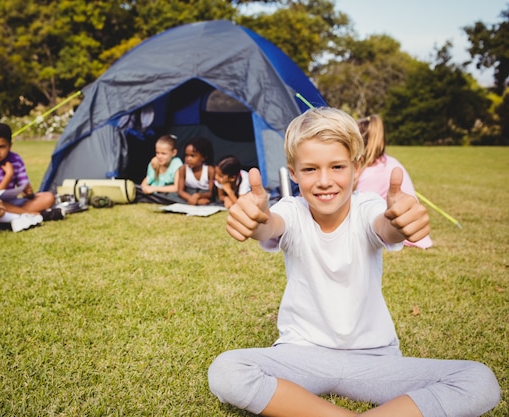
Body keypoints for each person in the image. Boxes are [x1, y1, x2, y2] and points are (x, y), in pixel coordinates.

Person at [208, 107, 500, 417]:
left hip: (374, 359)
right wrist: (256, 222)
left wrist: (400, 223)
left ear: (356, 168)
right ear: (292, 172)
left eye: (337, 166)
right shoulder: (292, 210)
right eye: (310, 170)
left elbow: (384, 227)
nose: (324, 181)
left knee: (479, 381)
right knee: (226, 370)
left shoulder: (368, 207)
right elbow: (271, 226)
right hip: (302, 355)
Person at [356, 114, 433, 249]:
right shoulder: (387, 162)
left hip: (401, 232)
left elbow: (356, 210)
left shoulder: (373, 173)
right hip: (409, 229)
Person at [0, 122, 61, 228]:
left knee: (48, 197)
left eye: (2, 147)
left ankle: (18, 215)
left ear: (10, 146)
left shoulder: (16, 159)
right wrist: (9, 175)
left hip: (10, 204)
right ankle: (28, 214)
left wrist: (28, 193)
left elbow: (24, 186)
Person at [176, 137, 215, 205]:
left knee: (211, 201)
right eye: (186, 155)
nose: (188, 159)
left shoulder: (210, 170)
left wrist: (198, 195)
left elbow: (211, 193)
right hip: (187, 194)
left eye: (192, 156)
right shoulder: (183, 169)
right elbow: (180, 191)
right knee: (171, 196)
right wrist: (192, 199)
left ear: (204, 157)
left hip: (204, 195)